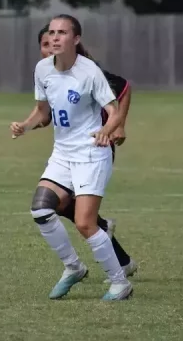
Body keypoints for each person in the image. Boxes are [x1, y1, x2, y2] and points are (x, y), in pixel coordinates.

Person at [10, 14, 133, 301]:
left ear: (75, 39)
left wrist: (106, 130)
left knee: (85, 224)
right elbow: (43, 111)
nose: (54, 37)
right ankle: (73, 267)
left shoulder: (89, 71)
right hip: (62, 153)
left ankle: (120, 283)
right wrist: (25, 126)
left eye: (61, 32)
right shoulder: (42, 69)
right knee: (41, 210)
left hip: (91, 153)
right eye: (51, 32)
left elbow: (114, 111)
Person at [35, 24, 138, 283]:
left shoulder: (86, 70)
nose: (50, 47)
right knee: (54, 205)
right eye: (45, 45)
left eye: (56, 40)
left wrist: (119, 125)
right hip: (67, 150)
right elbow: (47, 112)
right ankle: (119, 257)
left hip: (95, 147)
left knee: (73, 212)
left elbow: (123, 87)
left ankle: (113, 270)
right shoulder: (48, 73)